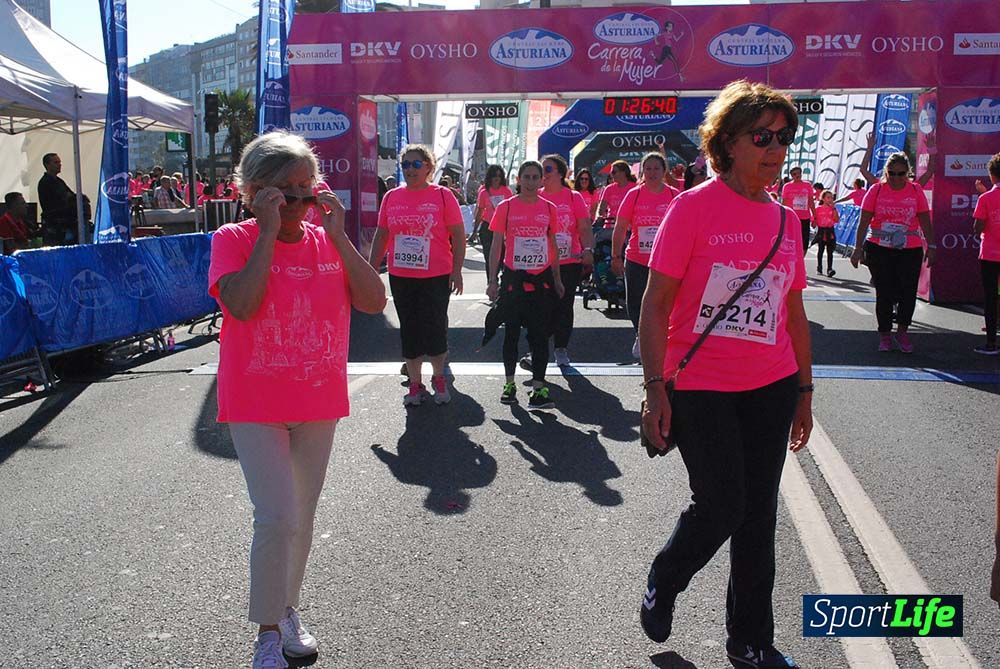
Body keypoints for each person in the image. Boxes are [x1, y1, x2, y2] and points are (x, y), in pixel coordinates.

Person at [638, 79, 811, 669]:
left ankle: (751, 640)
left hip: (772, 384)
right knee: (722, 502)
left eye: (784, 138)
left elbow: (793, 312)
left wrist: (805, 392)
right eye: (762, 137)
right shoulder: (691, 209)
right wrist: (654, 388)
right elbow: (656, 305)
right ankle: (667, 574)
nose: (775, 149)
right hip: (702, 385)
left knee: (759, 514)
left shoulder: (789, 221)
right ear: (728, 141)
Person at [207, 131, 386, 669]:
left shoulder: (325, 237)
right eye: (287, 191)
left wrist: (340, 237)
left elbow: (374, 301)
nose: (302, 201)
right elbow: (240, 304)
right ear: (255, 192)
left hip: (317, 399)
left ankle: (287, 609)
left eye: (308, 188)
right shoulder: (233, 237)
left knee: (302, 518)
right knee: (277, 515)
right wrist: (265, 234)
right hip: (255, 400)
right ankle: (266, 631)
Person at [369, 144, 466, 406]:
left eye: (415, 164)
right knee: (409, 328)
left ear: (428, 167)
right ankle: (414, 384)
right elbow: (382, 234)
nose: (410, 170)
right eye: (405, 165)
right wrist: (371, 269)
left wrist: (457, 270)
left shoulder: (443, 195)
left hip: (436, 273)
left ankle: (438, 376)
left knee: (434, 327)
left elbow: (457, 234)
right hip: (402, 274)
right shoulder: (391, 197)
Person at [486, 160, 564, 409]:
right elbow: (496, 245)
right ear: (519, 180)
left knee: (540, 336)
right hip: (513, 281)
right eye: (526, 177)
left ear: (542, 180)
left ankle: (539, 389)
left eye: (535, 177)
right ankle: (509, 384)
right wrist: (491, 281)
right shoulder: (506, 208)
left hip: (540, 281)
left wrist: (558, 279)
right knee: (511, 335)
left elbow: (553, 245)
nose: (531, 182)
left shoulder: (549, 208)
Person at [850, 152, 935, 353]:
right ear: (886, 172)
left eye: (901, 174)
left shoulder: (915, 190)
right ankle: (885, 334)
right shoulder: (876, 190)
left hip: (909, 248)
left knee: (907, 292)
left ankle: (902, 332)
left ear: (908, 173)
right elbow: (863, 222)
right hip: (880, 248)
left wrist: (932, 246)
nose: (896, 178)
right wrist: (857, 249)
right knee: (885, 292)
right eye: (892, 173)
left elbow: (924, 219)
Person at [611, 152, 679, 359]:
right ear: (642, 171)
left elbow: (684, 228)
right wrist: (615, 256)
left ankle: (663, 338)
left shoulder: (674, 195)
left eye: (656, 168)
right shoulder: (634, 194)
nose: (651, 172)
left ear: (663, 171)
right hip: (637, 258)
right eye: (647, 168)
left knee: (665, 301)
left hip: (664, 260)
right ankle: (641, 334)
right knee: (635, 301)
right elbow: (621, 226)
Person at [537, 153, 594, 366]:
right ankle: (539, 348)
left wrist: (588, 249)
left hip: (569, 261)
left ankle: (560, 348)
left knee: (564, 304)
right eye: (542, 169)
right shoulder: (536, 196)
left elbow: (584, 227)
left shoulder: (573, 197)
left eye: (548, 169)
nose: (544, 174)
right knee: (542, 306)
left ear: (560, 173)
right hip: (541, 262)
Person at [972, 152, 1000, 355]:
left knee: (990, 298)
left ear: (992, 175)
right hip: (990, 255)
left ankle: (991, 343)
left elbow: (978, 227)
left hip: (990, 255)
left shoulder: (986, 198)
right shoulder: (987, 196)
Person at [472, 165, 513, 278]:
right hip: (488, 227)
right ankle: (491, 281)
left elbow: (511, 210)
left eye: (499, 176)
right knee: (489, 257)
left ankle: (501, 279)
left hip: (503, 228)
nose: (497, 179)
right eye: (494, 176)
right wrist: (475, 230)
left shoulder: (506, 191)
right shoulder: (484, 192)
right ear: (490, 177)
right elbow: (480, 211)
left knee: (503, 256)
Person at [37, 153, 79, 245]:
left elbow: (71, 196)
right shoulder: (45, 183)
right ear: (47, 165)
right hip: (54, 226)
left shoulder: (59, 181)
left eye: (59, 162)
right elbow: (56, 202)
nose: (59, 164)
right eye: (56, 162)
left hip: (64, 224)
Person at [781, 166, 814, 257]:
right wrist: (783, 217)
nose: (797, 176)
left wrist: (815, 216)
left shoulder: (807, 185)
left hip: (805, 217)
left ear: (801, 173)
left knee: (804, 240)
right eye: (794, 174)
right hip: (792, 217)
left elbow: (811, 201)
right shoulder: (787, 186)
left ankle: (801, 260)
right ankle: (792, 258)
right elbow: (784, 203)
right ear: (791, 176)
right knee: (791, 239)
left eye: (798, 173)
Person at [597, 160, 636, 228]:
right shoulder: (609, 189)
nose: (611, 175)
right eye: (611, 173)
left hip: (629, 226)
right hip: (611, 225)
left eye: (614, 172)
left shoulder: (635, 188)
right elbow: (601, 210)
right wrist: (600, 216)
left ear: (623, 172)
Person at [813, 190, 840, 277]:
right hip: (821, 231)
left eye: (831, 198)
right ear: (823, 198)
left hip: (830, 231)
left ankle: (829, 269)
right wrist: (814, 221)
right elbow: (813, 222)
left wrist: (834, 209)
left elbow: (836, 220)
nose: (830, 199)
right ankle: (819, 268)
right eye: (828, 197)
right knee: (820, 250)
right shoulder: (818, 209)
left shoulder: (833, 209)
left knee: (830, 251)